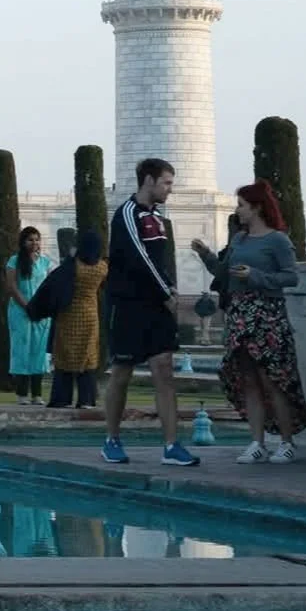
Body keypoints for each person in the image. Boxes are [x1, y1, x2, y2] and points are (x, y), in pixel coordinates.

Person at [190, 181, 306, 463]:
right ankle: (257, 442)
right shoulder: (239, 240)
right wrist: (206, 255)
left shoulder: (277, 240)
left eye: (242, 205)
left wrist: (256, 276)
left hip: (266, 314)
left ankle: (286, 441)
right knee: (249, 381)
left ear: (256, 207)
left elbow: (291, 277)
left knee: (273, 380)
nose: (238, 211)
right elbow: (225, 274)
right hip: (240, 314)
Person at [103, 158, 199, 467]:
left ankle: (171, 445)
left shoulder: (157, 217)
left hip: (156, 304)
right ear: (148, 181)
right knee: (122, 372)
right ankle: (111, 439)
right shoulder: (127, 214)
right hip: (129, 304)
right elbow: (139, 258)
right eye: (167, 183)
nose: (170, 189)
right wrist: (168, 292)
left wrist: (170, 288)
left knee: (164, 370)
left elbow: (161, 260)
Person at [48, 230, 109, 409]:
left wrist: (70, 256)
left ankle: (62, 398)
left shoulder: (74, 266)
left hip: (69, 314)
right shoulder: (102, 267)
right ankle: (86, 399)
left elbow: (58, 277)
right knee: (88, 356)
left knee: (65, 355)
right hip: (90, 314)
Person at [5, 226, 52, 405]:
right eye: (30, 240)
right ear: (23, 242)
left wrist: (41, 307)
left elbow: (48, 286)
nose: (34, 243)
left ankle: (37, 394)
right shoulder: (14, 261)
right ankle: (22, 394)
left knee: (39, 351)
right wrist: (27, 306)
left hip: (41, 313)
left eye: (37, 239)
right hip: (20, 311)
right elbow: (11, 287)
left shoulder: (45, 262)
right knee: (21, 350)